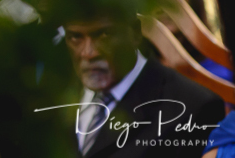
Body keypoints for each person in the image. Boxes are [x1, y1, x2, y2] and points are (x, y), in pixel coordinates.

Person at [60, 8, 225, 157]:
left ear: (135, 33)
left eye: (105, 35)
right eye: (75, 37)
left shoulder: (193, 108)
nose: (89, 53)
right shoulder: (55, 92)